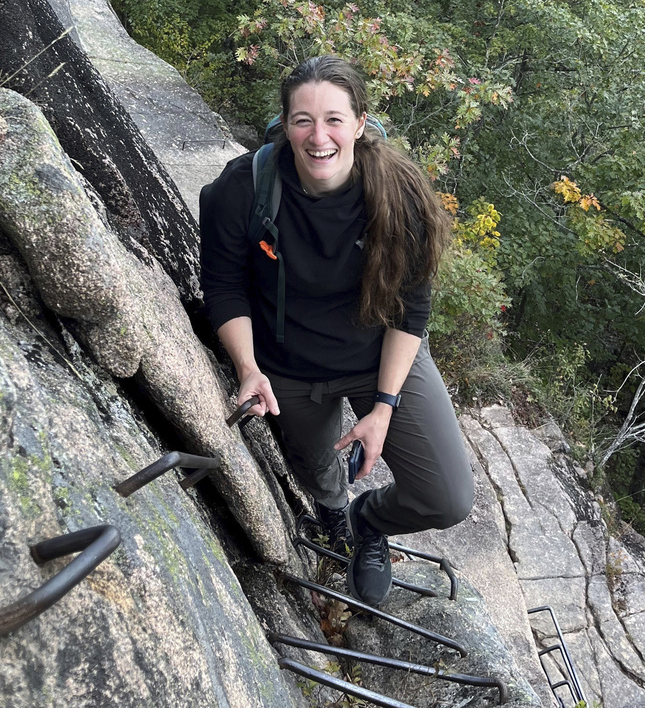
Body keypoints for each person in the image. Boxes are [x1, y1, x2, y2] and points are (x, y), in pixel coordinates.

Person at [199, 55, 473, 606]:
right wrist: (249, 368)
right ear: (284, 126)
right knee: (317, 468)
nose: (317, 136)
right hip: (287, 366)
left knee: (447, 497)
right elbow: (224, 286)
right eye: (302, 120)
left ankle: (368, 521)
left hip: (377, 356)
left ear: (360, 124)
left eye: (333, 119)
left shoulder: (401, 199)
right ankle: (335, 517)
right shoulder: (242, 189)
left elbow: (410, 311)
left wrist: (384, 407)